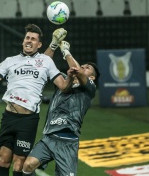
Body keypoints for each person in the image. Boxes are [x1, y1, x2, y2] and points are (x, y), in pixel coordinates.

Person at [0, 24, 73, 176]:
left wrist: (70, 75)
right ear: (23, 41)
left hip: (28, 120)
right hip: (9, 117)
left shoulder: (46, 62)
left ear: (39, 44)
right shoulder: (10, 61)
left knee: (19, 163)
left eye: (33, 39)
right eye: (27, 38)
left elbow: (63, 86)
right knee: (3, 160)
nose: (29, 41)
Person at [22, 40, 100, 176]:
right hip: (49, 137)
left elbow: (77, 72)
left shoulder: (90, 88)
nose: (82, 67)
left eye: (87, 68)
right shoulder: (64, 80)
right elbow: (42, 64)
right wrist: (53, 45)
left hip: (68, 142)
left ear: (92, 77)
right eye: (82, 65)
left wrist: (66, 52)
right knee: (28, 165)